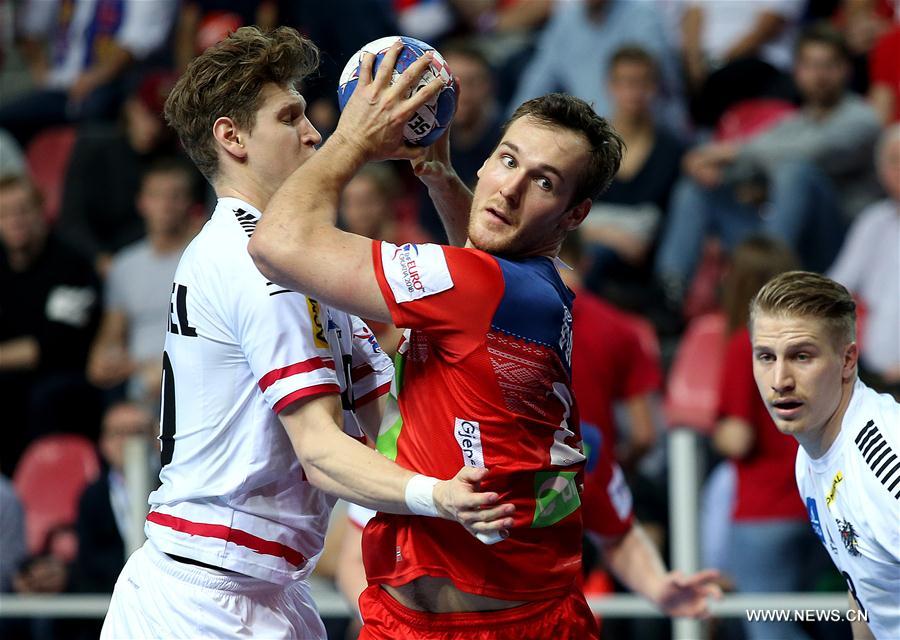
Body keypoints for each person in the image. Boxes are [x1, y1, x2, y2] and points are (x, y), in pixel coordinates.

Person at [249, 40, 721, 638]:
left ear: (575, 216)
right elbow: (478, 259)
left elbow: (276, 244)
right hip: (399, 622)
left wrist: (353, 137)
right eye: (506, 159)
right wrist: (442, 177)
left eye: (544, 182)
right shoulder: (529, 286)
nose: (509, 189)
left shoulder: (479, 287)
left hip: (510, 626)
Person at [100, 27, 511, 640]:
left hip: (271, 590)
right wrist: (441, 497)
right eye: (289, 116)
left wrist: (437, 174)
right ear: (231, 137)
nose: (313, 132)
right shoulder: (248, 256)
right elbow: (320, 452)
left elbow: (390, 425)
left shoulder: (308, 263)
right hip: (202, 599)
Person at [655, 23, 883, 308]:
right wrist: (708, 166)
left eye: (829, 66)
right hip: (784, 239)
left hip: (835, 246)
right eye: (811, 65)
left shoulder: (862, 118)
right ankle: (670, 292)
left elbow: (812, 152)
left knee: (795, 171)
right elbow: (750, 164)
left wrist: (729, 151)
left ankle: (765, 284)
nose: (820, 75)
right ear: (797, 71)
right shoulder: (792, 123)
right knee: (698, 190)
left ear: (846, 70)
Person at [750, 271, 900, 640]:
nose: (779, 379)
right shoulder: (812, 455)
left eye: (801, 356)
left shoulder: (883, 459)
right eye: (766, 357)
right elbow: (863, 589)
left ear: (848, 360)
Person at [714, 236, 826, 640]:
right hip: (820, 506)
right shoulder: (813, 346)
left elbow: (737, 438)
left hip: (764, 511)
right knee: (833, 622)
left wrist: (712, 430)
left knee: (769, 629)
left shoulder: (749, 345)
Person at [0, 174, 102, 475]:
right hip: (11, 380)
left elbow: (51, 346)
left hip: (66, 379)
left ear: (40, 211)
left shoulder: (70, 264)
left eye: (23, 210)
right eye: (5, 213)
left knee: (44, 397)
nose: (15, 220)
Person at [86, 158, 198, 407]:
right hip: (136, 383)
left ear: (190, 203)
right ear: (142, 203)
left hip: (193, 373)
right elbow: (110, 338)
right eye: (157, 196)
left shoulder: (204, 258)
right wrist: (106, 359)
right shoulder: (124, 265)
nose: (166, 205)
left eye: (175, 196)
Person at [828, 124, 900, 393]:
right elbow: (834, 290)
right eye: (894, 161)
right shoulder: (872, 221)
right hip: (869, 378)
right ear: (882, 170)